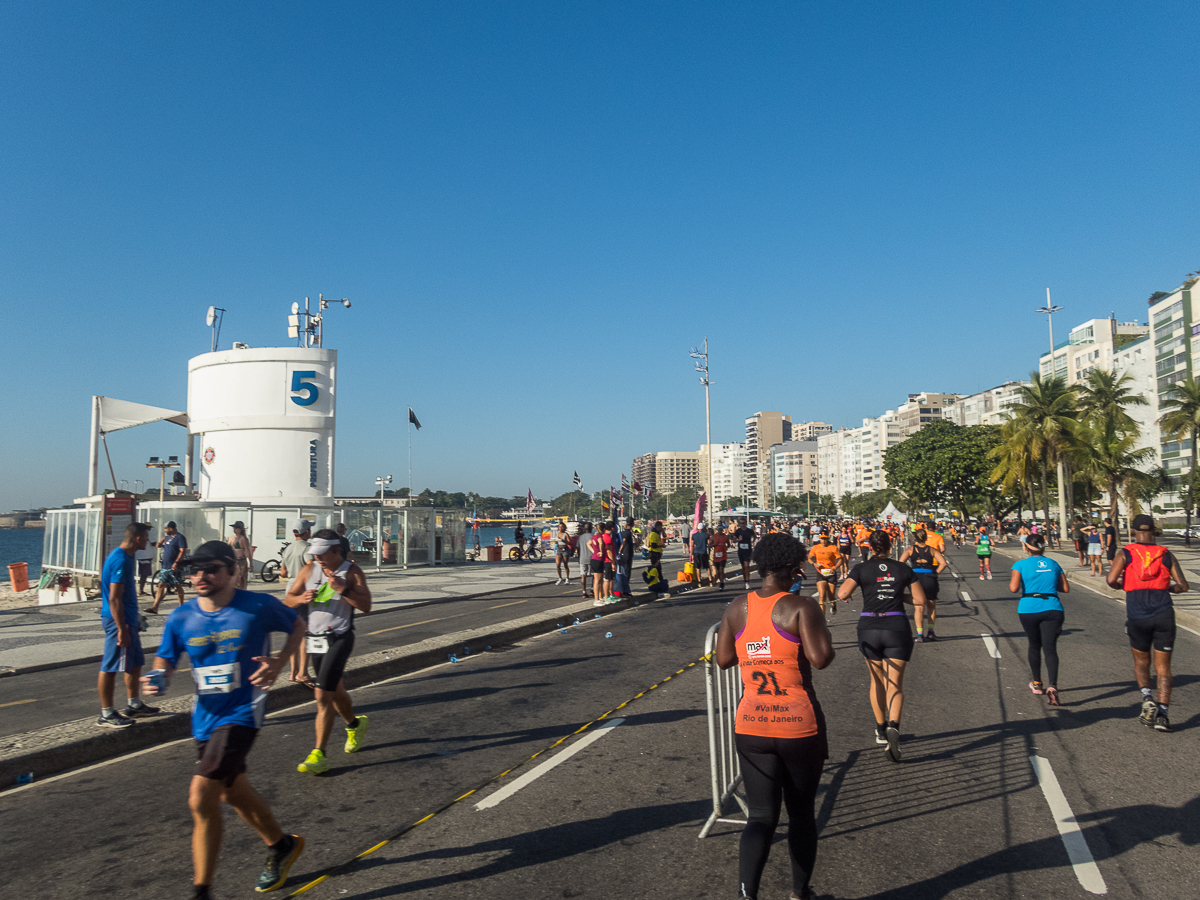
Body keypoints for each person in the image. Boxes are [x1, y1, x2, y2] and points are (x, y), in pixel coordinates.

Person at [142, 540, 305, 898]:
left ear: (233, 572)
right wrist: (159, 676)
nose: (202, 575)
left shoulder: (257, 606)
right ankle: (281, 846)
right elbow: (165, 657)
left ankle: (202, 891)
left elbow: (297, 625)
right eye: (195, 569)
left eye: (212, 568)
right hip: (205, 717)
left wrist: (279, 663)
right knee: (232, 791)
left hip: (243, 711)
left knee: (201, 796)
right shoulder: (181, 616)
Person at [715, 533, 833, 900]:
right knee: (800, 816)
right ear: (792, 566)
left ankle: (747, 895)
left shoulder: (737, 606)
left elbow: (722, 659)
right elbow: (820, 658)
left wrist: (754, 649)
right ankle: (800, 892)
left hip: (751, 722)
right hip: (797, 723)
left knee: (761, 817)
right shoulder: (801, 606)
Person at [286, 530, 373, 774]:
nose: (318, 559)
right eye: (315, 554)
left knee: (322, 695)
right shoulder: (308, 570)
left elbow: (366, 606)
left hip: (340, 637)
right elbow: (288, 599)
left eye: (322, 554)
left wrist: (343, 589)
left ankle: (319, 754)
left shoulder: (352, 572)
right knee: (336, 691)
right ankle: (355, 724)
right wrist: (300, 598)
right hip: (315, 639)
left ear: (336, 551)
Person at [838, 530, 926, 761]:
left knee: (876, 680)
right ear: (891, 544)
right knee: (894, 683)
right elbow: (920, 599)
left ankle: (880, 728)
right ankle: (894, 726)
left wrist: (864, 593)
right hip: (896, 626)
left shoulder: (861, 568)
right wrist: (897, 596)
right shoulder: (903, 569)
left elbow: (842, 592)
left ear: (869, 546)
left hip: (869, 627)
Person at [1106, 514, 1188, 733]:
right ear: (1153, 531)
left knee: (1142, 662)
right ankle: (1163, 715)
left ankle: (1147, 697)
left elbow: (1111, 580)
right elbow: (1183, 585)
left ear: (1134, 531)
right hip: (1163, 615)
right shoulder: (1166, 554)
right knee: (1164, 668)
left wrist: (1124, 585)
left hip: (1137, 616)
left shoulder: (1126, 553)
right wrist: (1168, 588)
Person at [96, 522, 158, 728]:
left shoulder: (125, 557)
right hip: (117, 621)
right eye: (146, 536)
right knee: (111, 666)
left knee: (135, 662)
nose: (148, 540)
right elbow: (114, 599)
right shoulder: (121, 560)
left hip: (128, 618)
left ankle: (134, 704)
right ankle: (106, 713)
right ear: (138, 538)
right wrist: (122, 628)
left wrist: (135, 617)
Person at [1009, 533, 1069, 705]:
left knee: (1034, 645)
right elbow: (1065, 588)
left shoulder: (1020, 564)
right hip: (1053, 607)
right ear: (1043, 547)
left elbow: (1013, 588)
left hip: (1029, 608)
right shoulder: (1053, 563)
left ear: (1026, 547)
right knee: (1050, 648)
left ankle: (1037, 684)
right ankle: (1053, 686)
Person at [281, 519, 315, 687]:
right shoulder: (307, 548)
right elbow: (310, 566)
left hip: (289, 592)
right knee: (304, 634)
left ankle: (293, 672)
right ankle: (303, 671)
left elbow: (283, 572)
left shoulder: (287, 549)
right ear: (306, 532)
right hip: (302, 593)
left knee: (293, 633)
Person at [899, 528, 947, 643]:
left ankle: (919, 634)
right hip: (930, 578)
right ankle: (930, 632)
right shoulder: (932, 550)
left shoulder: (910, 550)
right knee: (931, 606)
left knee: (919, 606)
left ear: (915, 538)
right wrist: (935, 573)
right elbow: (943, 563)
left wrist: (908, 573)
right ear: (925, 538)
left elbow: (900, 563)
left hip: (916, 579)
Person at [149, 521, 188, 614]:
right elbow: (160, 544)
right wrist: (160, 543)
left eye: (166, 528)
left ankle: (181, 607)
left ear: (171, 528)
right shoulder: (167, 538)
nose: (165, 530)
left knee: (178, 586)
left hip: (175, 566)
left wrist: (176, 562)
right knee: (161, 585)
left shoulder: (180, 538)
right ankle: (155, 607)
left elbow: (182, 551)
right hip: (165, 566)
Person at [806, 531, 843, 617]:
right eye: (822, 539)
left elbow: (840, 560)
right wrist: (814, 564)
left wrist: (834, 568)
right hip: (821, 573)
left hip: (831, 573)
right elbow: (809, 558)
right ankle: (822, 619)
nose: (823, 541)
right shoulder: (815, 547)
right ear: (820, 539)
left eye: (825, 539)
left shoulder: (833, 548)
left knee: (831, 596)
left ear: (827, 539)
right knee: (822, 596)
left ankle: (834, 605)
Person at [614, 518, 635, 597]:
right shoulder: (627, 533)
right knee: (626, 572)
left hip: (624, 554)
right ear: (632, 525)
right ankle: (625, 591)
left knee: (623, 572)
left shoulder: (622, 532)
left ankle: (622, 590)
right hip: (626, 555)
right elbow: (624, 541)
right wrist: (620, 550)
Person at [228, 521, 252, 589]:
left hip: (240, 561)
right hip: (232, 561)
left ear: (240, 529)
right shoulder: (231, 538)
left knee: (240, 580)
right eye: (234, 528)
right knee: (232, 580)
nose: (234, 530)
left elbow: (247, 551)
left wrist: (251, 563)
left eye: (236, 528)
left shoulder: (243, 538)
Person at [733, 518, 756, 585]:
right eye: (740, 523)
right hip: (741, 550)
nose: (742, 525)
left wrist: (753, 541)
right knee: (743, 566)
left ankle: (747, 582)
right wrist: (738, 540)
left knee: (747, 565)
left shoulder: (749, 531)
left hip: (748, 550)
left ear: (746, 523)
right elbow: (734, 540)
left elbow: (754, 536)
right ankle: (745, 580)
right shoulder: (738, 531)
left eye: (743, 523)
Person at [589, 523, 607, 606]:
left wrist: (593, 551)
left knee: (599, 580)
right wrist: (601, 551)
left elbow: (588, 543)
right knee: (597, 580)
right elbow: (601, 543)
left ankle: (600, 597)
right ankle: (596, 599)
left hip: (594, 558)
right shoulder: (599, 536)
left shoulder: (594, 536)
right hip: (598, 559)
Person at [576, 521, 595, 599]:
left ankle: (584, 592)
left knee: (583, 575)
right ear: (591, 528)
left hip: (582, 558)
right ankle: (592, 589)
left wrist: (579, 556)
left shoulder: (580, 537)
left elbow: (577, 547)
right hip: (592, 558)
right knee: (594, 575)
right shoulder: (593, 536)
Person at [135, 525, 156, 595]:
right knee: (144, 574)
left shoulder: (138, 533)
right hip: (146, 556)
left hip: (140, 556)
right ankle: (141, 590)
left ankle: (140, 589)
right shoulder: (148, 533)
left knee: (142, 574)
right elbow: (153, 543)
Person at [710, 523, 730, 590]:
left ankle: (721, 583)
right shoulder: (713, 537)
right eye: (718, 530)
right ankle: (717, 580)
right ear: (717, 530)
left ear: (722, 530)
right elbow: (709, 545)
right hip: (716, 557)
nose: (719, 531)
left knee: (721, 570)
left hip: (723, 556)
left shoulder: (725, 537)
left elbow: (729, 544)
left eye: (721, 530)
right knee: (718, 571)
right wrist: (714, 544)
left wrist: (726, 547)